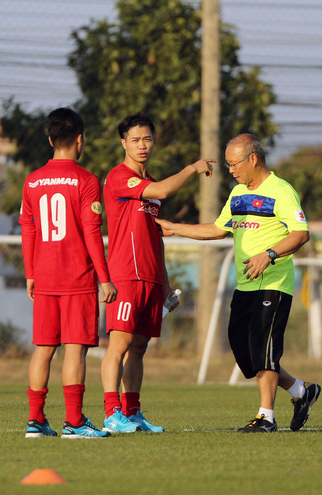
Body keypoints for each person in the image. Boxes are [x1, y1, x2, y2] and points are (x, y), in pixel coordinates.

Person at [155, 133, 321, 433]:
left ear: (253, 159)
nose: (230, 170)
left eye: (234, 163)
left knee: (264, 350)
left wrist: (268, 255)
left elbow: (300, 233)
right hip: (244, 286)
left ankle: (266, 417)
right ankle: (301, 392)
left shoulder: (282, 191)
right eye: (228, 164)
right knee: (246, 352)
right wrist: (175, 228)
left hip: (274, 283)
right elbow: (218, 230)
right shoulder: (237, 194)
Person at [101, 112, 216, 433]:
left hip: (150, 278)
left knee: (139, 348)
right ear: (123, 143)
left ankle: (132, 412)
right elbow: (164, 191)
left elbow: (156, 239)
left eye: (147, 139)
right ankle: (112, 413)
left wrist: (165, 284)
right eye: (135, 140)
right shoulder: (118, 178)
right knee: (119, 345)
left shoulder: (148, 185)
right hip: (126, 275)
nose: (142, 145)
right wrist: (192, 168)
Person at [19, 107, 117, 439]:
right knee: (74, 348)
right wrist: (104, 278)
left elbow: (27, 230)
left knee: (43, 348)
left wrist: (30, 272)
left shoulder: (32, 180)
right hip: (77, 277)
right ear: (80, 139)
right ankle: (74, 422)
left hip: (44, 277)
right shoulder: (86, 180)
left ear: (49, 140)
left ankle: (35, 420)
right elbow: (92, 233)